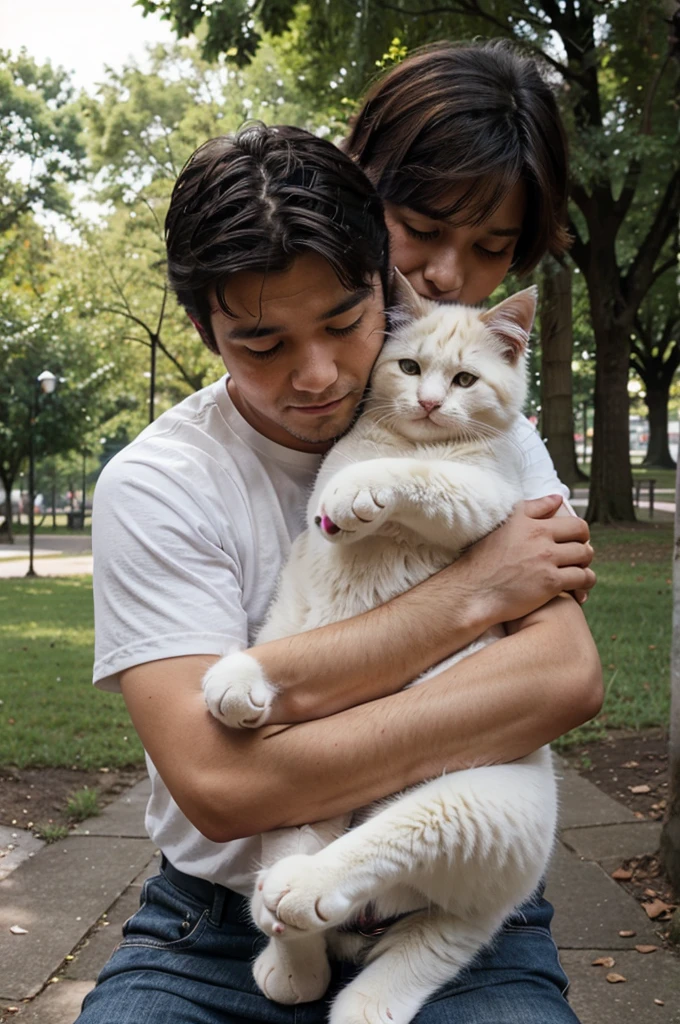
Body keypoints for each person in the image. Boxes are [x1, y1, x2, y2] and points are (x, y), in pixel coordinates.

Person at [78, 47, 601, 1024]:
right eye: (264, 343)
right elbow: (218, 787)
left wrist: (280, 713)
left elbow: (563, 679)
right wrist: (474, 596)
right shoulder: (160, 479)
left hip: (447, 904)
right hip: (217, 923)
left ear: (367, 278)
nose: (315, 374)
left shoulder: (478, 415)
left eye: (347, 320)